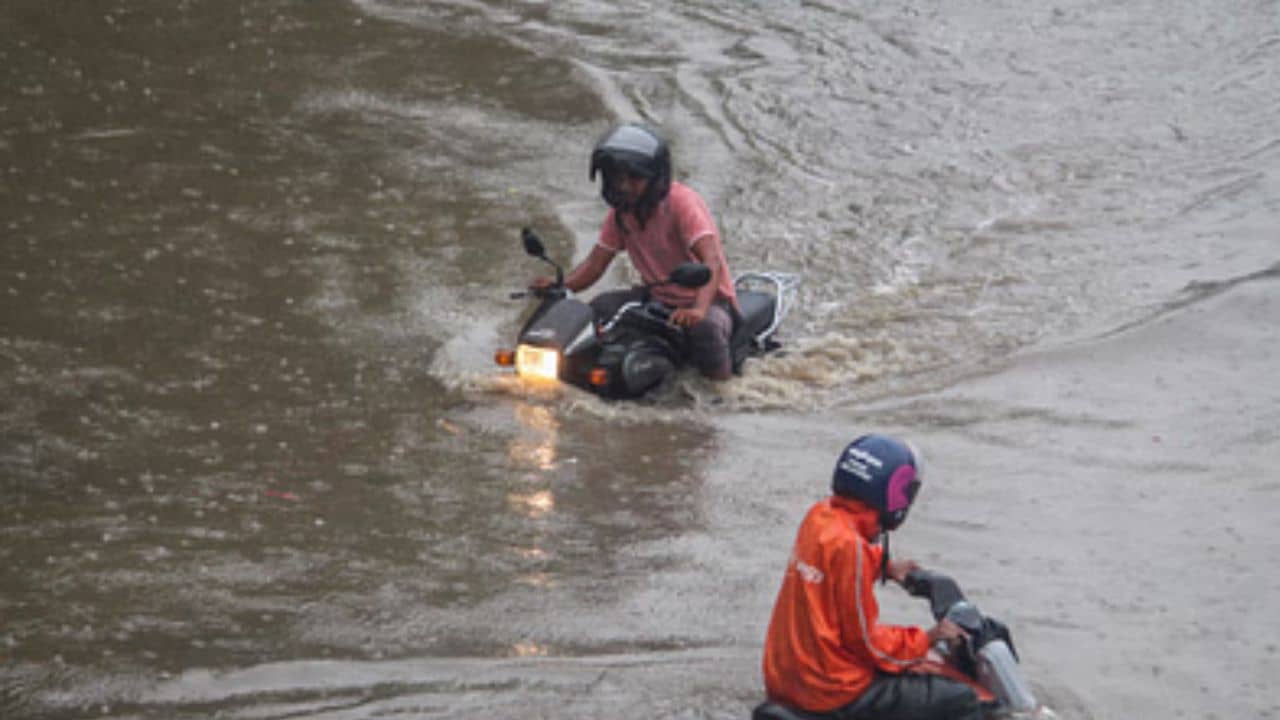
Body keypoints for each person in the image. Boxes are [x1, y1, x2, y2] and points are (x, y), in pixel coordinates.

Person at [756, 434, 982, 720]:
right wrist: (927, 638)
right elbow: (866, 641)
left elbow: (831, 570)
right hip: (830, 690)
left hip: (787, 680)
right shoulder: (853, 547)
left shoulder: (819, 517)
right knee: (963, 700)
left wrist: (885, 567)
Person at [530, 122, 740, 380]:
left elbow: (712, 261)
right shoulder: (621, 215)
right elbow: (594, 265)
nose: (625, 185)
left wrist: (698, 310)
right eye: (618, 177)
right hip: (657, 297)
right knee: (600, 307)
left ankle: (722, 394)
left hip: (708, 300)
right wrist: (560, 286)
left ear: (656, 177)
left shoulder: (681, 203)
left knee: (705, 330)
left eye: (635, 177)